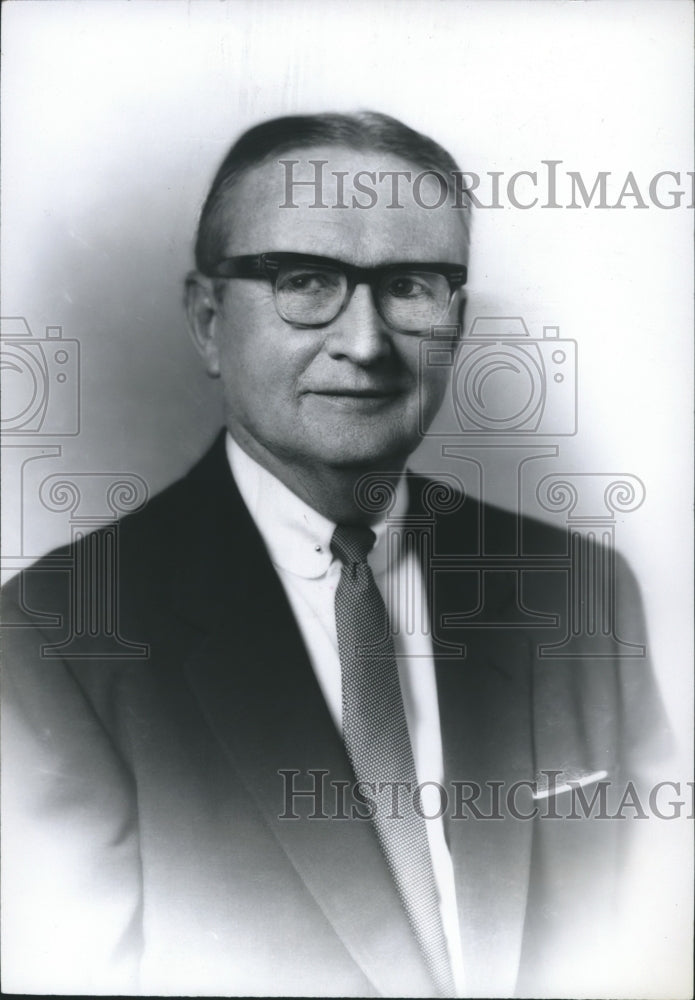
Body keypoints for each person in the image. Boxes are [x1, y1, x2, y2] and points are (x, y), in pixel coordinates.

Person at [1, 113, 671, 998]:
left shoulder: (577, 591)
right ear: (207, 320)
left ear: (457, 320)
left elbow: (654, 940)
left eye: (409, 286)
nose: (364, 343)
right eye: (305, 281)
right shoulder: (56, 640)